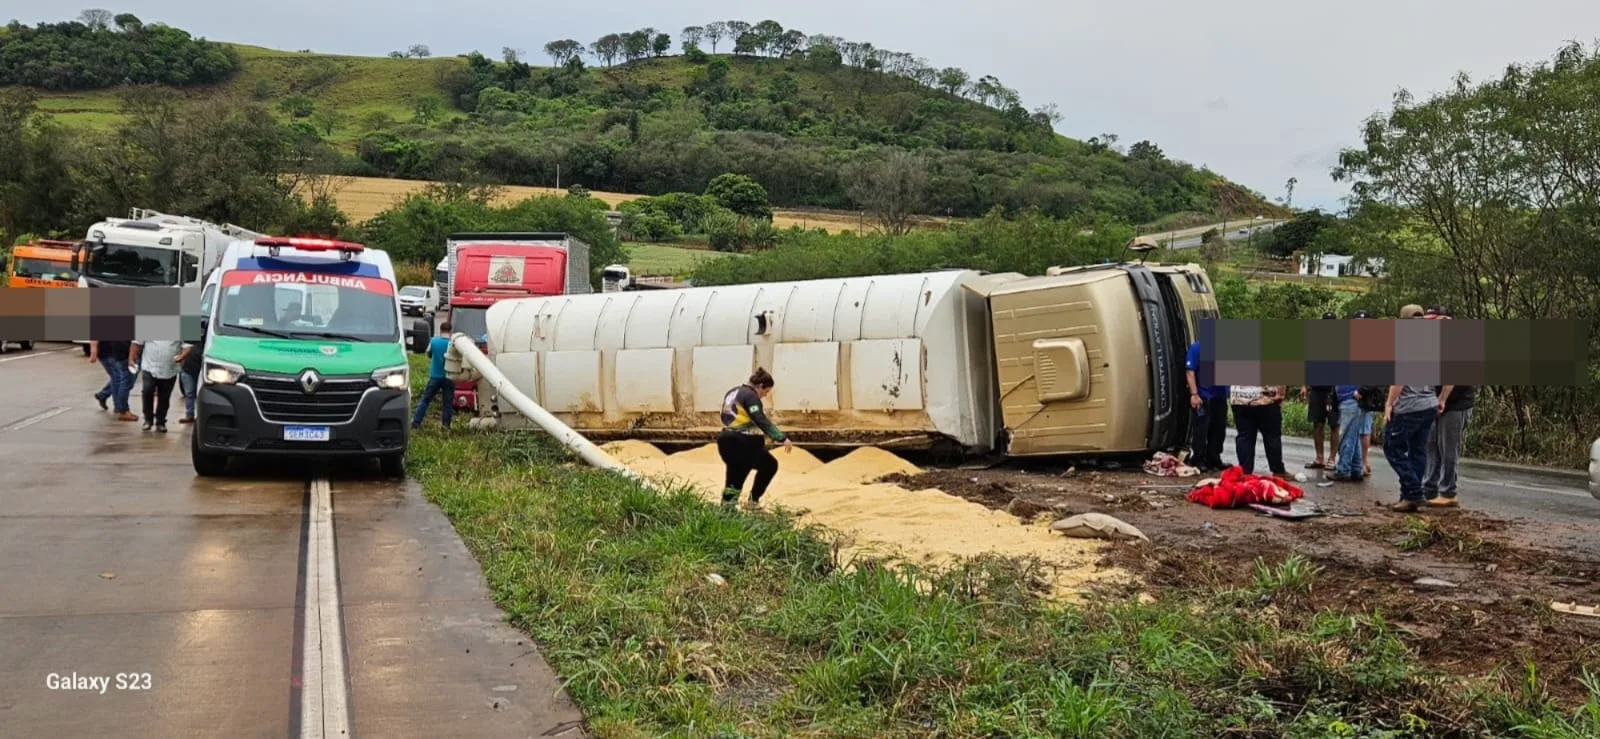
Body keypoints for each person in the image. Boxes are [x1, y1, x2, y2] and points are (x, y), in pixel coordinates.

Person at [1382, 306, 1437, 511]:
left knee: (1392, 447)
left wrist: (1389, 404)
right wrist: (1440, 398)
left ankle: (1414, 492)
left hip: (1409, 406)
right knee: (1417, 451)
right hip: (1428, 403)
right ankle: (1408, 497)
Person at [717, 368, 793, 510]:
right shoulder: (751, 396)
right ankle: (753, 502)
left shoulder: (732, 392)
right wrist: (781, 437)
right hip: (743, 442)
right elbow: (759, 418)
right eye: (766, 392)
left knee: (735, 476)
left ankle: (726, 510)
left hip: (725, 438)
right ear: (760, 386)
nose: (764, 395)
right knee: (770, 465)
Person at [1302, 311, 1341, 470]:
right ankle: (1319, 458)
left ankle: (1332, 458)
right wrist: (1304, 385)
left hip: (1334, 390)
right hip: (1317, 389)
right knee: (1317, 424)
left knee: (1334, 425)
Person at [1184, 338, 1228, 472]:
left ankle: (1214, 458)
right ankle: (1198, 459)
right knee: (1201, 430)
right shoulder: (1197, 348)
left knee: (1219, 429)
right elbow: (1190, 371)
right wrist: (1194, 394)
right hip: (1203, 396)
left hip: (1220, 396)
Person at [1229, 383, 1288, 477]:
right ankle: (1278, 471)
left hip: (1239, 398)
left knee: (1245, 436)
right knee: (1272, 436)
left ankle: (1245, 471)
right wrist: (1281, 394)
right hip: (1265, 398)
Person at [130, 339, 182, 432]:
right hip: (149, 367)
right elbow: (136, 343)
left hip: (169, 369)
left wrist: (182, 357)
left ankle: (161, 422)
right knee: (147, 391)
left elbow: (189, 346)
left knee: (164, 396)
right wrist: (131, 359)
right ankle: (148, 420)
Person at [411, 321, 455, 430]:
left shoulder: (434, 341)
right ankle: (446, 426)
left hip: (435, 376)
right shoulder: (452, 343)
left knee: (425, 400)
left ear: (440, 330)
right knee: (447, 403)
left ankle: (416, 423)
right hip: (449, 377)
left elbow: (428, 353)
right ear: (450, 331)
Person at [90, 339, 138, 422]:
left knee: (119, 378)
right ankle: (120, 408)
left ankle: (104, 396)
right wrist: (93, 352)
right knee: (119, 379)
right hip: (108, 353)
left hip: (114, 352)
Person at [1331, 384, 1367, 482]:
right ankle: (1356, 470)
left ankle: (1343, 470)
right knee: (1353, 438)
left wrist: (1361, 391)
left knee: (1346, 438)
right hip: (1348, 400)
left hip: (1351, 401)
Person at [174, 340, 203, 424]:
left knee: (201, 394)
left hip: (203, 368)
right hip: (187, 367)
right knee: (189, 393)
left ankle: (201, 416)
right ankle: (189, 415)